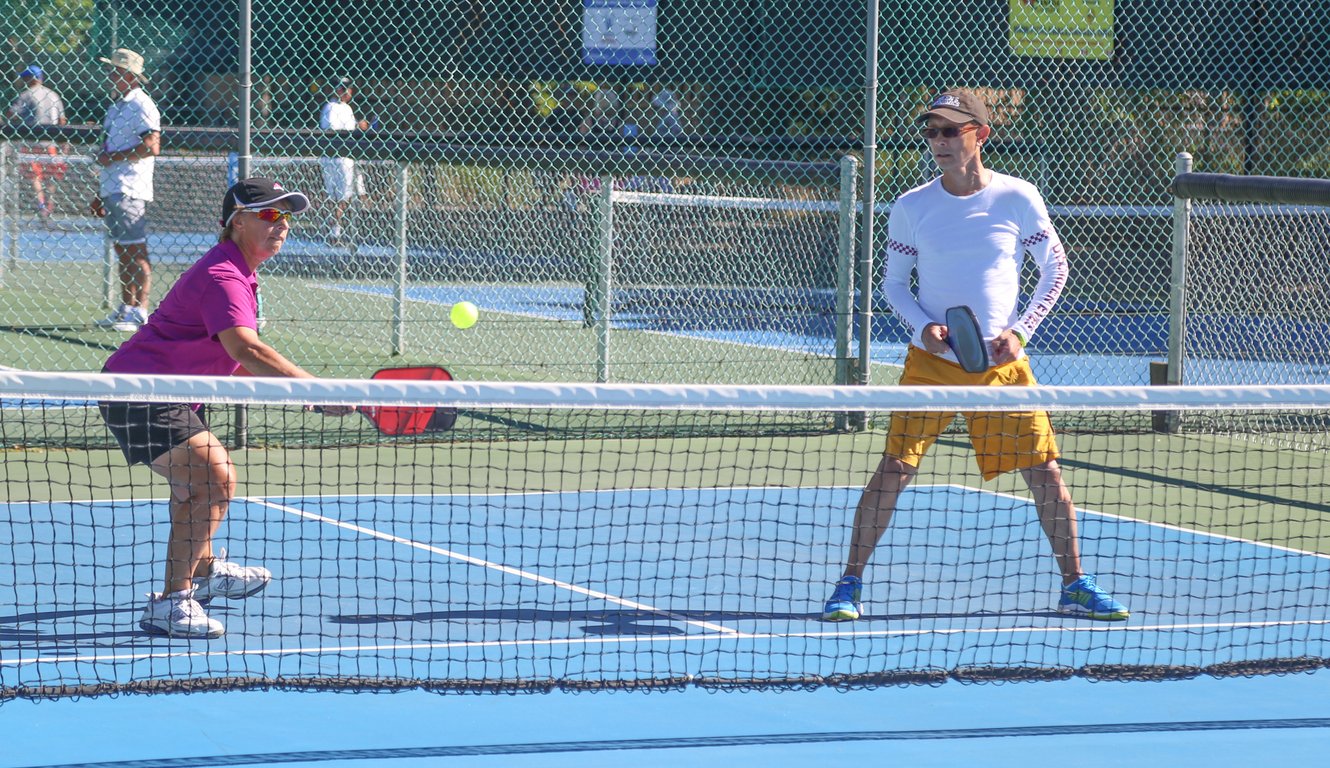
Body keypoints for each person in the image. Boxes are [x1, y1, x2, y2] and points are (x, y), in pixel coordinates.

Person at [821, 88, 1129, 623]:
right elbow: (894, 286)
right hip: (931, 363)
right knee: (894, 468)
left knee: (1046, 473)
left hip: (1002, 364)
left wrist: (1022, 331)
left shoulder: (1018, 197)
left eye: (950, 130)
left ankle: (1075, 584)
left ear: (980, 135)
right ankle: (849, 584)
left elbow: (1056, 269)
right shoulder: (912, 206)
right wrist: (924, 330)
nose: (938, 140)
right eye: (931, 131)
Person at [99, 177, 351, 638]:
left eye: (286, 216)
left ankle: (205, 569)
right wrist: (316, 389)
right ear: (236, 222)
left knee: (194, 487)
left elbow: (234, 359)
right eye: (270, 215)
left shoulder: (239, 273)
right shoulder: (223, 276)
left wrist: (310, 401)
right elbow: (247, 350)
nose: (282, 225)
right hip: (141, 393)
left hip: (168, 394)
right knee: (216, 478)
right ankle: (171, 602)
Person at [90, 48, 161, 332]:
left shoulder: (142, 104)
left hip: (131, 188)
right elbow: (109, 151)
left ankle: (140, 311)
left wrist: (114, 160)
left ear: (130, 76)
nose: (110, 76)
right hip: (113, 187)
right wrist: (100, 190)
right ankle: (126, 307)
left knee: (136, 250)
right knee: (123, 250)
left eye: (116, 71)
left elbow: (151, 146)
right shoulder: (117, 106)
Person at [6, 64, 68, 221]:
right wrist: (63, 142)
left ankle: (41, 206)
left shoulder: (26, 95)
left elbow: (11, 114)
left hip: (32, 143)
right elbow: (62, 120)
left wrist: (17, 123)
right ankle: (50, 204)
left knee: (35, 177)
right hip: (51, 142)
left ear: (29, 78)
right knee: (51, 176)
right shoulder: (53, 95)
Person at [318, 77, 369, 245]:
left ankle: (337, 230)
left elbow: (349, 127)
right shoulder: (331, 107)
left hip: (345, 157)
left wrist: (358, 124)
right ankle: (334, 231)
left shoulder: (346, 108)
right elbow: (332, 130)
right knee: (339, 195)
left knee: (346, 194)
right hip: (336, 158)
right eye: (344, 89)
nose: (349, 92)